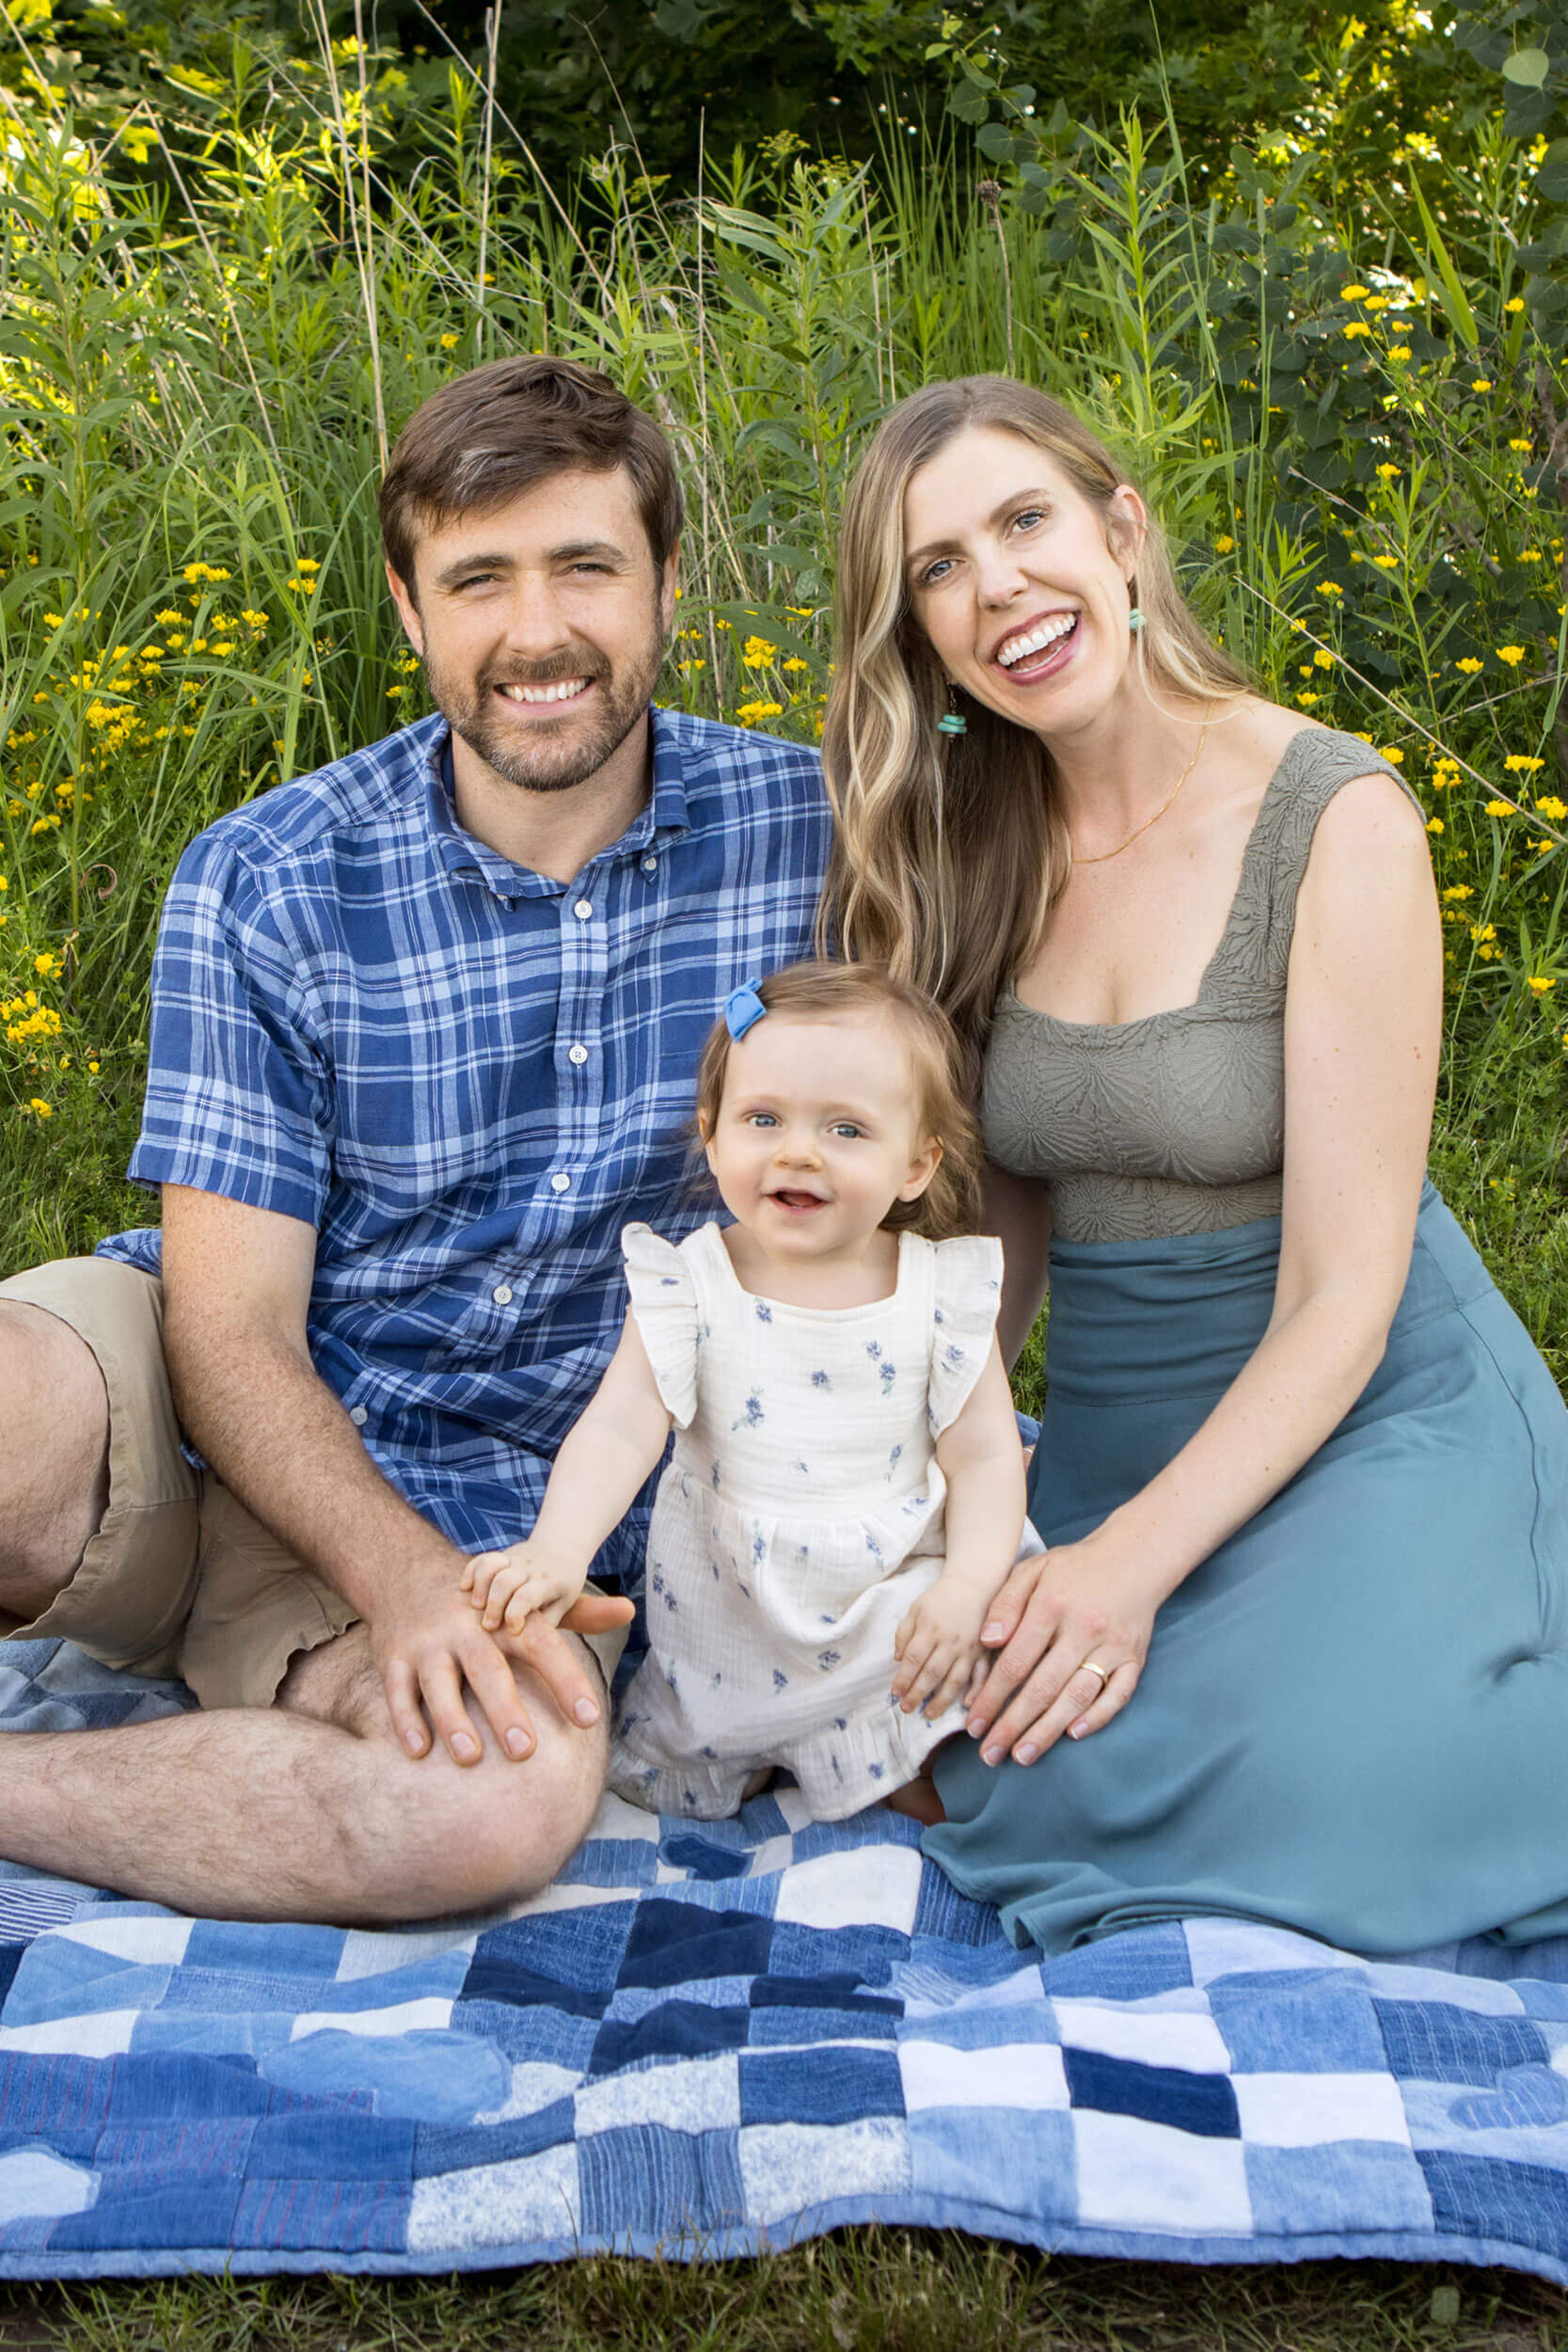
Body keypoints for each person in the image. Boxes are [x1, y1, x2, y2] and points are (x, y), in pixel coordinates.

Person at [0, 356, 830, 1924]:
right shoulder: (273, 874)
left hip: (540, 1512)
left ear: (665, 584)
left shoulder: (821, 840)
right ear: (407, 607)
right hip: (226, 1400)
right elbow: (227, 1330)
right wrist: (401, 1579)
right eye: (478, 579)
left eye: (586, 566)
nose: (537, 633)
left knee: (487, 1811)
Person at [820, 372, 1568, 1957]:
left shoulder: (1332, 817)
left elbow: (1344, 1294)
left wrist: (1115, 1579)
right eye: (937, 569)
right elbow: (1003, 1233)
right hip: (1118, 1435)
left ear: (1122, 530)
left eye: (1023, 522)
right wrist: (921, 1478)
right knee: (942, 1727)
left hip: (1366, 1414)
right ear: (920, 639)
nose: (996, 587)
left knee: (1338, 1786)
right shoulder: (974, 843)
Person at [463, 959, 1035, 1821]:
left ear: (916, 1165)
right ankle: (764, 1753)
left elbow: (988, 1454)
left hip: (887, 1595)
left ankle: (888, 1760)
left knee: (961, 1714)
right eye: (762, 1119)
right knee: (690, 1757)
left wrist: (967, 1584)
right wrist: (557, 1549)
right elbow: (621, 1429)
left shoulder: (938, 1295)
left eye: (846, 1130)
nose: (797, 1150)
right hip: (733, 1606)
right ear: (713, 1134)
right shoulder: (689, 1281)